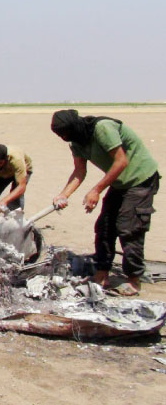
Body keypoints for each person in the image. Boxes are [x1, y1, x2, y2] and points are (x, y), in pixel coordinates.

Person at [51, 109, 159, 295]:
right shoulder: (76, 141)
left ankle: (133, 280)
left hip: (140, 179)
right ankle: (101, 274)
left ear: (75, 126)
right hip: (119, 182)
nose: (65, 137)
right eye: (61, 135)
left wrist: (96, 190)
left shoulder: (102, 128)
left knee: (129, 227)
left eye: (66, 133)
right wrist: (63, 195)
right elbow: (79, 171)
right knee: (104, 227)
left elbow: (121, 161)